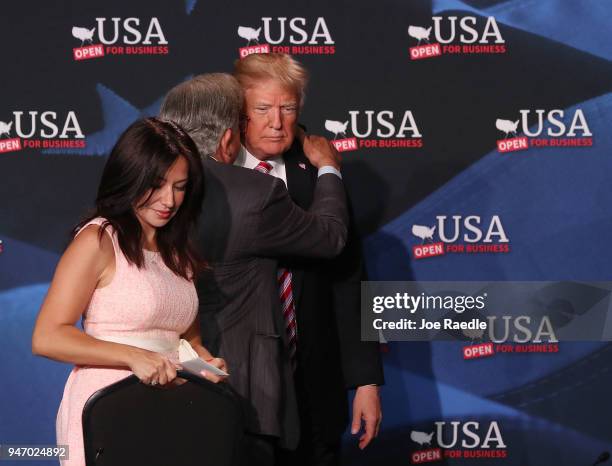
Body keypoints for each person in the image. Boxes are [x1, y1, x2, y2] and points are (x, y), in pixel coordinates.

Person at [159, 73, 349, 465]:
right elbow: (330, 237)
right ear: (230, 138)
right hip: (244, 385)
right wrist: (329, 168)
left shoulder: (145, 189)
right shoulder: (254, 192)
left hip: (157, 375)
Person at [31, 117, 227, 466]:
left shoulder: (178, 252)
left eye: (180, 187)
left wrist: (203, 364)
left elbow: (187, 341)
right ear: (130, 175)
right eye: (157, 184)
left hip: (172, 410)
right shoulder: (98, 239)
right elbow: (48, 337)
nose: (170, 200)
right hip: (110, 406)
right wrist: (132, 356)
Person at [234, 53, 385, 465]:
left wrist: (366, 382)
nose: (277, 122)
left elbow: (349, 280)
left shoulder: (321, 172)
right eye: (263, 109)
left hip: (315, 388)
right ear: (239, 111)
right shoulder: (214, 172)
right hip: (236, 389)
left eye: (288, 108)